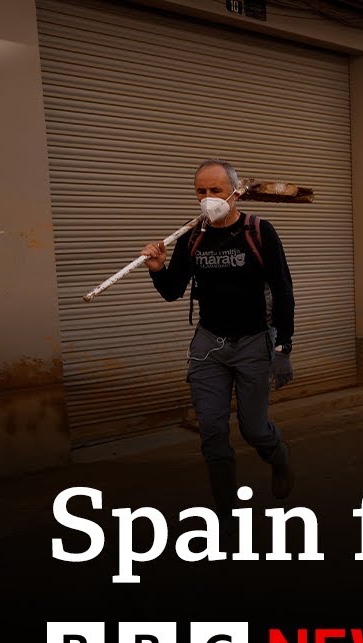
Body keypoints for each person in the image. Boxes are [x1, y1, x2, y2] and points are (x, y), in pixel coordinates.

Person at [141, 159, 297, 525]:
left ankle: (280, 459)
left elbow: (283, 291)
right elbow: (172, 291)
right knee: (212, 431)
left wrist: (282, 347)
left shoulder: (259, 231)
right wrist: (158, 269)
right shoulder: (191, 235)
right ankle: (226, 516)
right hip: (208, 345)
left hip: (253, 342)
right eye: (201, 191)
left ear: (235, 191)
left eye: (215, 190)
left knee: (254, 428)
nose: (208, 198)